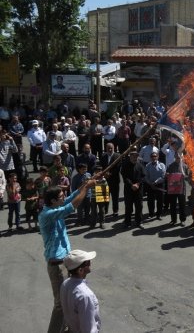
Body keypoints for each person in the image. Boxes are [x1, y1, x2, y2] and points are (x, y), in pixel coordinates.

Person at [38, 178, 98, 333]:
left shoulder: (55, 206)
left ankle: (66, 328)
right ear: (52, 201)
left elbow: (71, 198)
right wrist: (87, 189)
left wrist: (86, 184)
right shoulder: (48, 214)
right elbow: (72, 205)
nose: (64, 197)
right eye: (60, 196)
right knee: (60, 304)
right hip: (57, 266)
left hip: (64, 263)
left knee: (69, 301)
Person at [60, 250, 101, 333]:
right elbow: (88, 329)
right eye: (88, 262)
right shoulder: (85, 296)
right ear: (80, 270)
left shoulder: (65, 283)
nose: (90, 263)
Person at [121, 150, 145, 229]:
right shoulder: (125, 165)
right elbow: (125, 177)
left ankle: (139, 222)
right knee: (128, 206)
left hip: (138, 189)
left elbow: (143, 176)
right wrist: (132, 185)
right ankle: (127, 222)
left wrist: (137, 184)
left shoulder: (140, 165)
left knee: (139, 206)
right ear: (130, 156)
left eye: (136, 156)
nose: (135, 157)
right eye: (133, 156)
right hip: (129, 189)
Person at [99, 142, 121, 217]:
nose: (110, 149)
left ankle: (115, 211)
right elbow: (101, 166)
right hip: (105, 180)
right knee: (105, 196)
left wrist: (110, 174)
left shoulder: (118, 156)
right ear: (106, 148)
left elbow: (118, 168)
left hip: (115, 180)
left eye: (111, 148)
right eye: (108, 148)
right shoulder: (103, 156)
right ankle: (105, 210)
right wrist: (104, 174)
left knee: (115, 197)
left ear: (114, 148)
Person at [145, 151, 166, 220]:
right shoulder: (147, 166)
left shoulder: (162, 165)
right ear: (150, 158)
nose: (154, 158)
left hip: (159, 185)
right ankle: (151, 214)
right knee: (150, 201)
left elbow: (163, 176)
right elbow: (146, 176)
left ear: (157, 157)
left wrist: (155, 182)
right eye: (152, 157)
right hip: (150, 185)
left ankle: (159, 214)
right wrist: (150, 183)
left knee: (160, 201)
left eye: (155, 156)